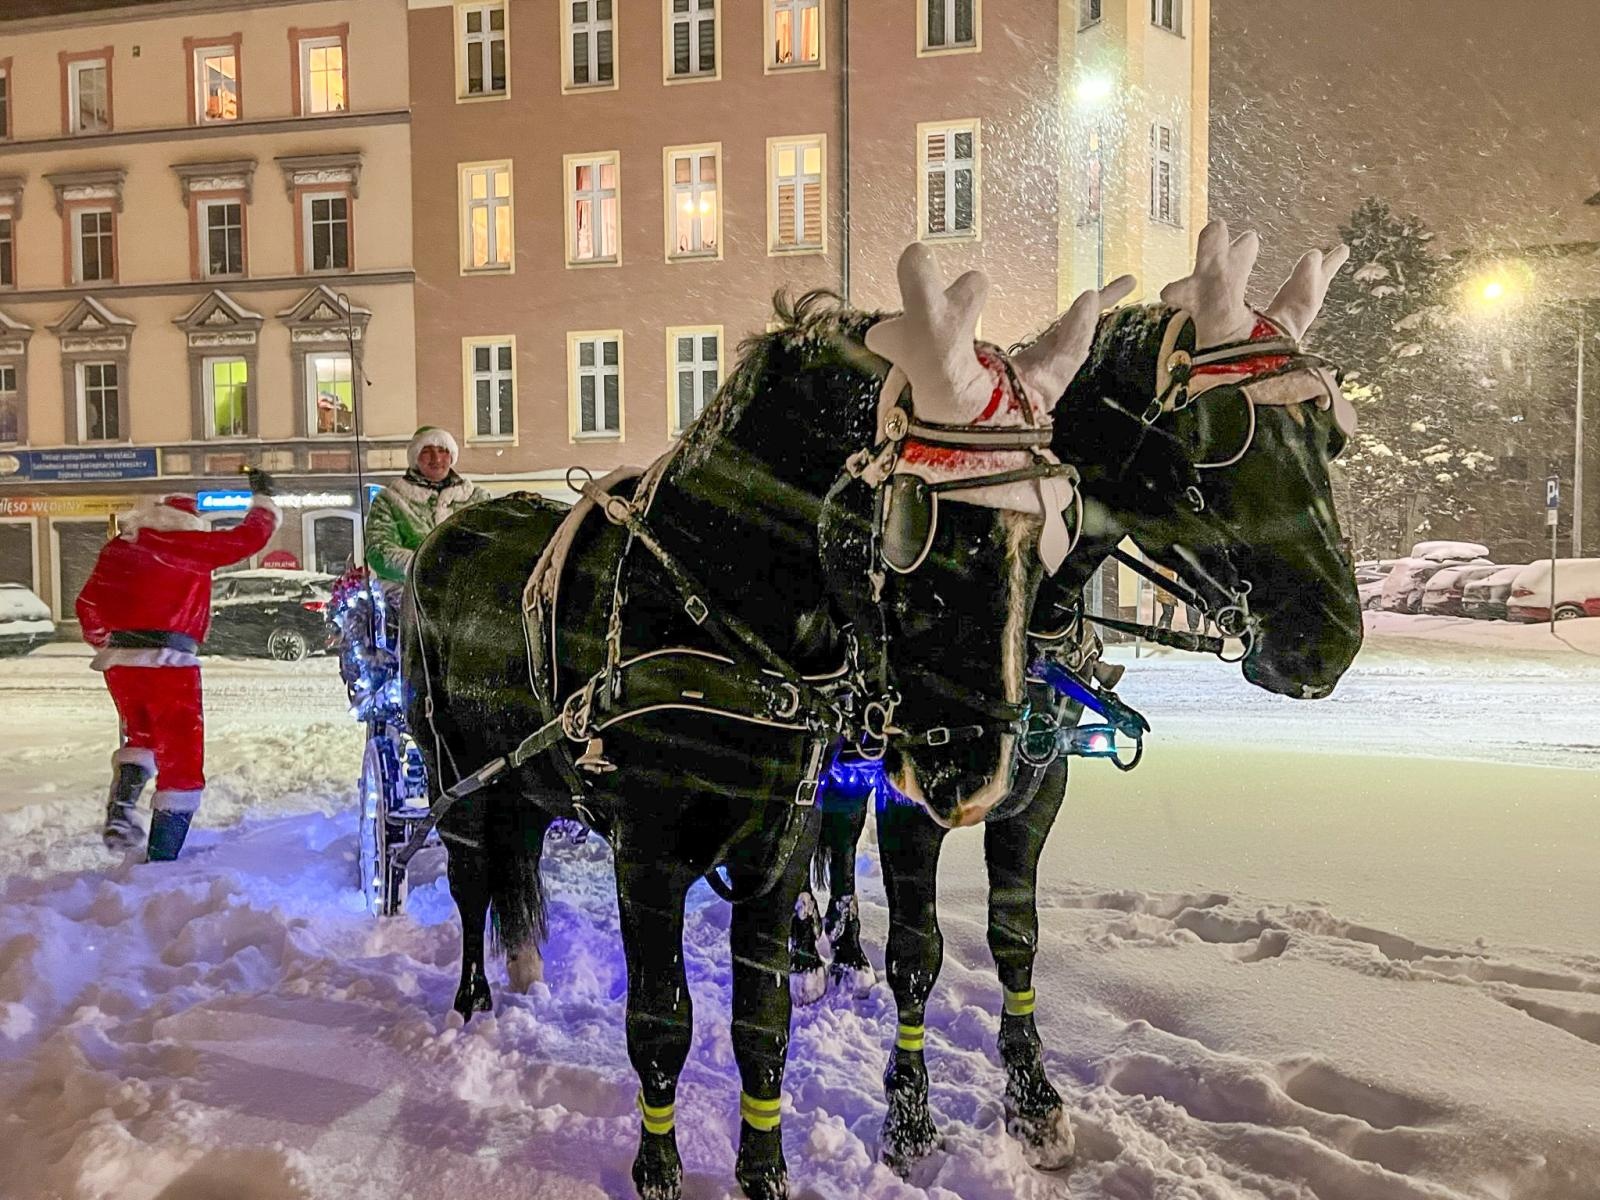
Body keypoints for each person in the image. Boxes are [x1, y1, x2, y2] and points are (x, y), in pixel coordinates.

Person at [76, 469, 280, 860]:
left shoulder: (121, 547)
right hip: (170, 663)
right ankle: (162, 859)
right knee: (182, 761)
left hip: (121, 664)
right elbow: (248, 538)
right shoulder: (190, 544)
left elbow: (86, 605)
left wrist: (110, 642)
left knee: (142, 738)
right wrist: (264, 500)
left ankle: (121, 807)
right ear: (190, 520)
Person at [364, 426, 489, 593]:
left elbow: (490, 546)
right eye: (427, 451)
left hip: (468, 596)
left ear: (451, 456)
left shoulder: (476, 499)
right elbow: (379, 552)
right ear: (415, 457)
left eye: (442, 451)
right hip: (409, 598)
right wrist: (427, 567)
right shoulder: (390, 500)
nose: (436, 459)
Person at [1152, 564, 1180, 631]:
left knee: (1168, 612)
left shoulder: (1167, 570)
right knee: (1168, 613)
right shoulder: (1164, 570)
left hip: (1168, 594)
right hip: (1166, 594)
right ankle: (1160, 629)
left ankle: (1165, 629)